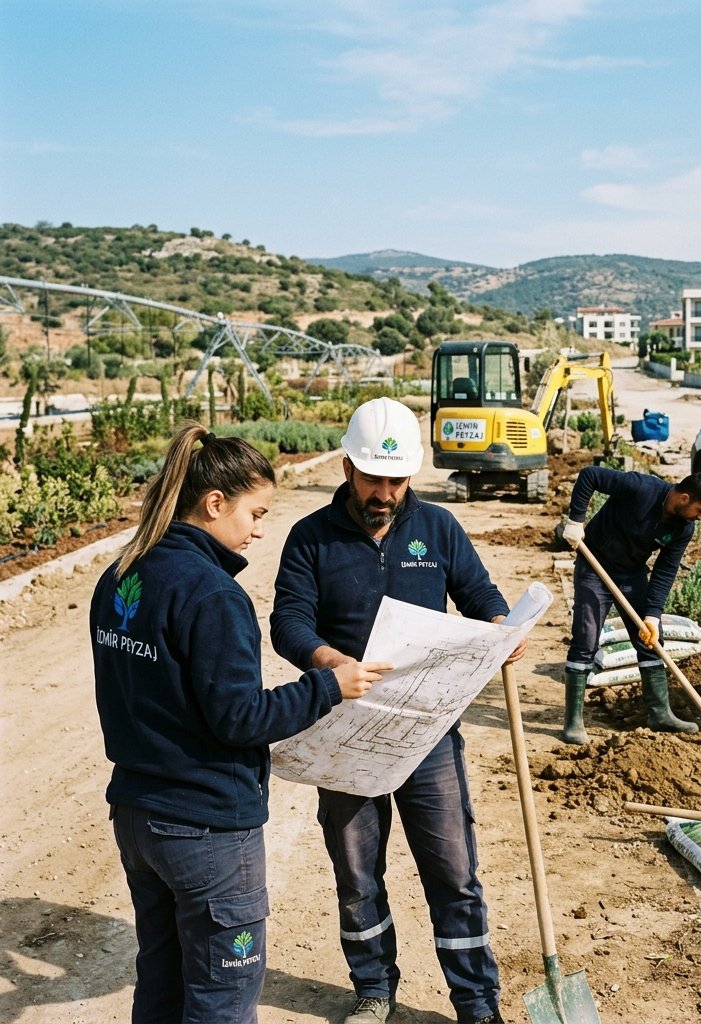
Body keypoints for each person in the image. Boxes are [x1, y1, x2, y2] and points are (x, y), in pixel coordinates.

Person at [90, 424, 390, 1024]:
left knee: (162, 984)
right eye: (256, 513)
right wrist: (328, 686)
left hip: (138, 817)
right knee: (221, 1001)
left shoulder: (121, 575)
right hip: (205, 830)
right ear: (214, 503)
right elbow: (240, 718)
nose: (259, 530)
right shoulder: (212, 595)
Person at [270, 397, 522, 1024]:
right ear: (348, 468)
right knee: (358, 875)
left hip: (427, 728)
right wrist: (331, 661)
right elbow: (288, 621)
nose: (384, 494)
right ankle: (374, 988)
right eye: (372, 479)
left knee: (454, 871)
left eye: (396, 480)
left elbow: (480, 594)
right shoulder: (310, 538)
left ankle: (476, 1004)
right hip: (345, 728)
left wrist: (502, 627)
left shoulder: (437, 528)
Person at [559, 467, 701, 745]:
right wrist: (576, 520)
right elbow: (589, 476)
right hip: (594, 566)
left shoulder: (684, 528)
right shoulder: (641, 487)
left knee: (649, 640)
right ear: (684, 498)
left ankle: (660, 713)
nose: (700, 517)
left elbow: (665, 570)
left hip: (631, 574)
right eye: (700, 510)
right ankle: (573, 722)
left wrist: (652, 615)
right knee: (586, 639)